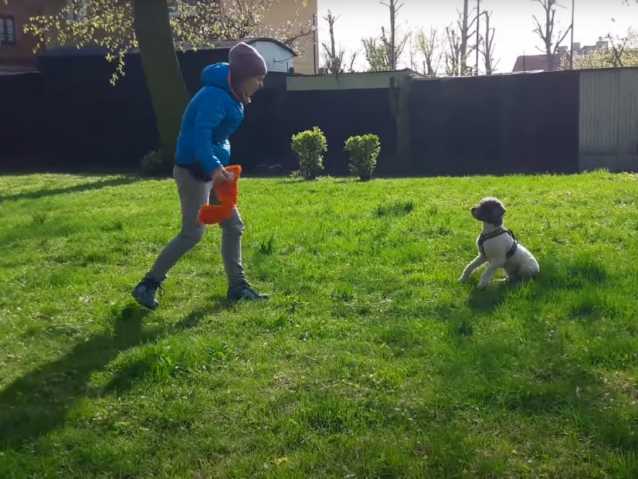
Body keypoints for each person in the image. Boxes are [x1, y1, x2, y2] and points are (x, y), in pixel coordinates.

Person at [132, 42, 269, 310]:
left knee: (233, 225)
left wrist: (218, 167)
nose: (261, 84)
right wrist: (215, 168)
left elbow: (217, 136)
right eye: (258, 78)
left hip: (212, 170)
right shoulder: (214, 96)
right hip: (194, 171)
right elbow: (200, 136)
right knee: (193, 233)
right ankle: (147, 284)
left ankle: (238, 287)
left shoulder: (231, 95)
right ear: (244, 77)